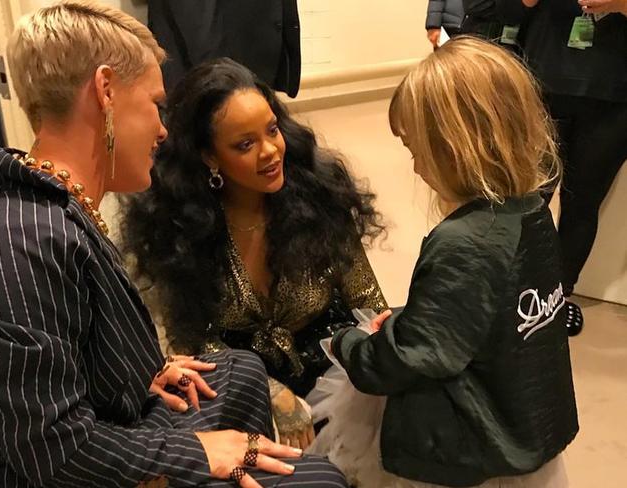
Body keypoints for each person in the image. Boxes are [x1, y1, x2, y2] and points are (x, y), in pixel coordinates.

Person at [0, 2, 348, 487]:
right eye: (155, 104)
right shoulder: (21, 237)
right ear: (106, 91)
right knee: (320, 478)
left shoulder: (54, 210)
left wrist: (145, 370)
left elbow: (65, 365)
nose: (163, 130)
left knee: (239, 371)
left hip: (107, 431)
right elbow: (51, 447)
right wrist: (196, 453)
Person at [322, 37, 579, 487]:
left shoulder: (465, 242)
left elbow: (416, 356)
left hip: (470, 454)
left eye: (417, 148)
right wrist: (410, 318)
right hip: (528, 425)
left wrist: (351, 346)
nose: (417, 165)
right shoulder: (533, 212)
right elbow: (481, 316)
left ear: (457, 147)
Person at [120, 57, 388, 450]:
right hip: (243, 407)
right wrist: (269, 390)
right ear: (209, 157)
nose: (270, 151)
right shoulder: (178, 229)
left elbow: (369, 305)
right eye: (245, 144)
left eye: (272, 130)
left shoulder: (321, 196)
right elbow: (190, 342)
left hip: (343, 393)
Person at [495, 0, 627, 336]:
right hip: (541, 85)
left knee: (583, 202)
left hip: (615, 96)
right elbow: (503, 11)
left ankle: (558, 295)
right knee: (524, 196)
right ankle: (511, 288)